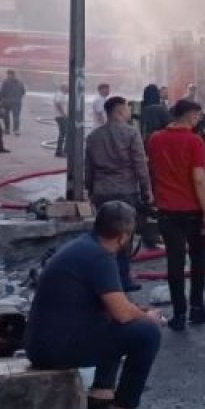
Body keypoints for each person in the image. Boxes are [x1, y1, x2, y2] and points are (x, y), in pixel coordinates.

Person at [25, 201, 165, 409]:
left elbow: (113, 304)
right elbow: (121, 313)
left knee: (114, 321)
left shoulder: (85, 246)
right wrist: (147, 316)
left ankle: (102, 391)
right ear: (123, 236)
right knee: (147, 333)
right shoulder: (100, 257)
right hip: (55, 347)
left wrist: (137, 311)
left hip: (43, 342)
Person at [146, 99, 205, 331]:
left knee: (174, 263)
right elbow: (199, 179)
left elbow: (153, 170)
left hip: (166, 211)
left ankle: (179, 314)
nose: (199, 119)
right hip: (192, 211)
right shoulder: (195, 142)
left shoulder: (155, 139)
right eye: (197, 115)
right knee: (198, 260)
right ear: (188, 115)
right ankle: (197, 308)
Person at [86, 97, 151, 292]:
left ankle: (103, 278)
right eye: (127, 109)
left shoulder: (94, 136)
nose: (130, 113)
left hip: (102, 192)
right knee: (124, 238)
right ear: (120, 111)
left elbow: (88, 169)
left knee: (105, 236)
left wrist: (90, 190)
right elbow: (140, 164)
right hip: (126, 191)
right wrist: (147, 190)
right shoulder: (131, 133)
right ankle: (123, 280)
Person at [0, 70, 27, 136]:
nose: (7, 76)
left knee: (6, 116)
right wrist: (18, 97)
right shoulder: (20, 82)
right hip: (17, 102)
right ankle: (16, 130)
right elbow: (23, 92)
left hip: (7, 102)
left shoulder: (6, 82)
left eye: (8, 74)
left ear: (9, 74)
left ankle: (7, 129)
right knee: (16, 116)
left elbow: (2, 92)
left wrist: (0, 100)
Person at [53, 83, 70, 157]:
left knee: (64, 134)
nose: (68, 90)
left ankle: (62, 151)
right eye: (67, 88)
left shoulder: (62, 95)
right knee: (65, 133)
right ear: (64, 88)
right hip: (61, 117)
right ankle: (61, 151)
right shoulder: (59, 94)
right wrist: (64, 114)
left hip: (62, 116)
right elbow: (58, 104)